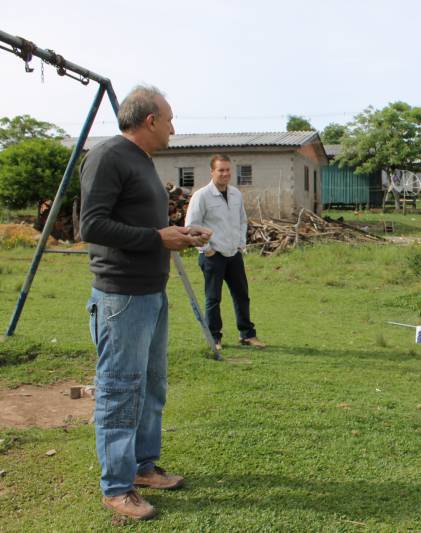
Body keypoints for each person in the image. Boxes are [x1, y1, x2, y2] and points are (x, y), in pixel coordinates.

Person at [80, 85, 212, 520]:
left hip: (151, 294)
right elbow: (93, 226)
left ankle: (142, 467)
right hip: (120, 297)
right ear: (150, 120)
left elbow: (139, 225)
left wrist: (178, 235)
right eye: (170, 119)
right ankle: (116, 488)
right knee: (120, 391)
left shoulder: (142, 162)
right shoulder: (108, 157)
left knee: (151, 387)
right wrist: (157, 238)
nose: (174, 127)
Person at [185, 154, 265, 351]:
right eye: (221, 170)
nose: (225, 173)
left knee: (242, 295)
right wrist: (207, 250)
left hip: (233, 253)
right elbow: (192, 226)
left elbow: (242, 220)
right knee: (213, 298)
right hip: (213, 255)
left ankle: (247, 334)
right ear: (212, 171)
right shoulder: (201, 195)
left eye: (228, 170)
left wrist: (240, 245)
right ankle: (214, 338)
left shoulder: (236, 194)